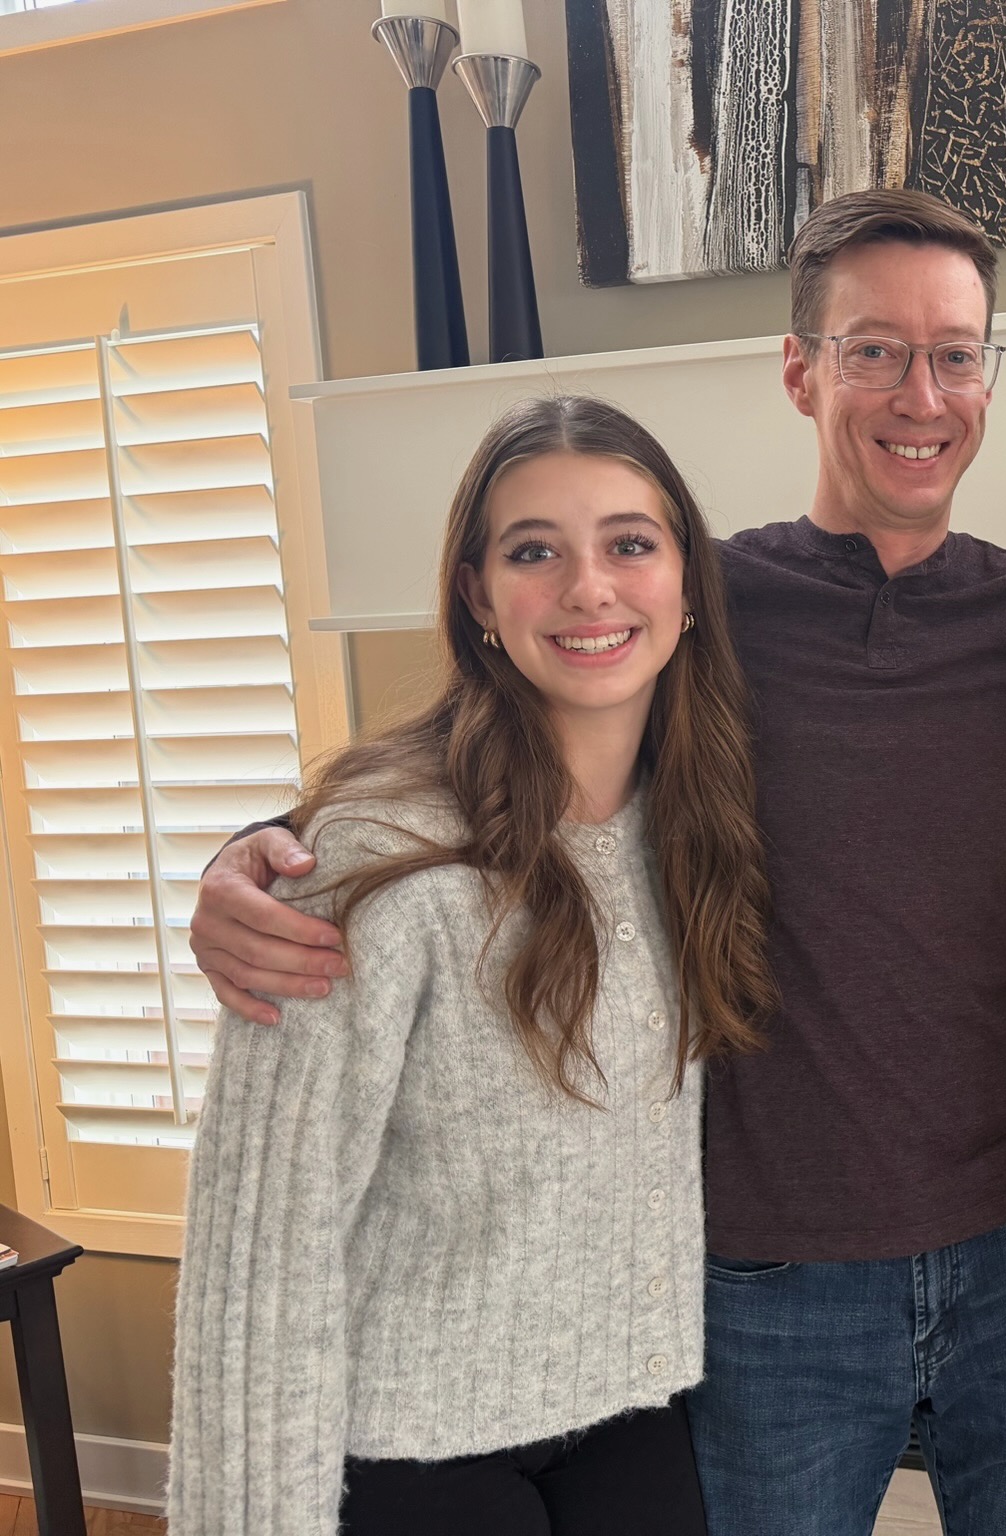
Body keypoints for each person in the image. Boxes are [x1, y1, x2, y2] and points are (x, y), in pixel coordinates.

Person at [184, 190, 1006, 1536]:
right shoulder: (698, 613)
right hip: (768, 1285)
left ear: (989, 376)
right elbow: (484, 764)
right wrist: (255, 865)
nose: (922, 391)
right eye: (873, 349)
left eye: (956, 351)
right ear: (799, 369)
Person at [166, 396, 775, 1536]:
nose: (589, 588)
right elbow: (261, 1252)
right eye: (534, 551)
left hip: (631, 1411)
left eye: (629, 544)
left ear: (687, 587)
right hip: (414, 1446)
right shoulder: (368, 864)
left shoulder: (697, 831)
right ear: (478, 597)